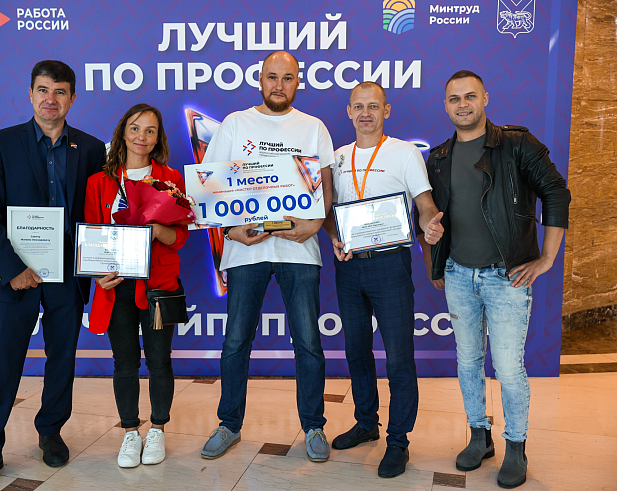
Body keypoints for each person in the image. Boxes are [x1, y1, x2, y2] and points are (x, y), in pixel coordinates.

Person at [0, 60, 106, 491]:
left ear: (72, 98)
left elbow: (98, 213)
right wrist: (12, 269)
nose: (50, 99)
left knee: (62, 358)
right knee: (2, 362)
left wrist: (100, 263)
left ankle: (51, 432)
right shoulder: (3, 142)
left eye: (60, 92)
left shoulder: (90, 148)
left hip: (68, 274)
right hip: (16, 273)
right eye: (43, 90)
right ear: (30, 94)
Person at [418, 70, 570, 489]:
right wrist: (434, 256)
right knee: (468, 361)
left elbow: (556, 192)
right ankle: (479, 436)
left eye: (470, 96)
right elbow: (427, 216)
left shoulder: (517, 144)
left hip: (507, 277)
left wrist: (547, 258)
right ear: (445, 105)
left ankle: (516, 446)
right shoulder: (438, 157)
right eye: (454, 99)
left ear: (485, 98)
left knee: (507, 367)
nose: (462, 105)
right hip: (458, 274)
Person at [199, 51, 335, 463]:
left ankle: (314, 426)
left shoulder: (313, 127)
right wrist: (230, 231)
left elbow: (326, 184)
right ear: (259, 80)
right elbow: (209, 187)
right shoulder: (235, 124)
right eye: (272, 77)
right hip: (246, 249)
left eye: (287, 78)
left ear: (298, 82)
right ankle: (229, 424)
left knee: (308, 342)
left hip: (299, 247)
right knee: (236, 341)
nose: (279, 85)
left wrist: (316, 223)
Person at [322, 82, 444, 478]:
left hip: (390, 265)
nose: (365, 113)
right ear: (348, 111)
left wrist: (430, 227)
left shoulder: (404, 153)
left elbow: (424, 205)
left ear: (386, 111)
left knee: (398, 356)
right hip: (349, 267)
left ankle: (398, 440)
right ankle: (365, 423)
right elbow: (328, 211)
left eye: (373, 106)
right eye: (358, 106)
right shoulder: (337, 158)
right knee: (356, 350)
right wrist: (334, 237)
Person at [83, 104, 188, 468]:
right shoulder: (99, 182)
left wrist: (158, 230)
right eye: (135, 128)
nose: (141, 136)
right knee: (124, 362)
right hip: (116, 287)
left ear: (158, 138)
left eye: (150, 130)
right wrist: (97, 274)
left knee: (159, 360)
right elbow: (91, 237)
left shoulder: (170, 178)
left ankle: (157, 429)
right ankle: (130, 432)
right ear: (122, 133)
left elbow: (181, 236)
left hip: (159, 284)